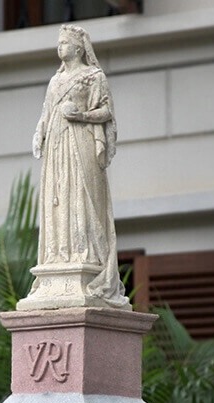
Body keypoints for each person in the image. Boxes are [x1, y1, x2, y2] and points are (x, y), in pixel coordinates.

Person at [27, 24, 128, 309]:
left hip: (80, 140)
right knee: (57, 197)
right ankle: (59, 254)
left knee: (82, 195)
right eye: (58, 43)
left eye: (65, 43)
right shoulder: (54, 81)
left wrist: (81, 115)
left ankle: (87, 254)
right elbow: (46, 113)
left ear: (79, 48)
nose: (60, 47)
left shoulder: (93, 76)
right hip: (57, 146)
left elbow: (107, 111)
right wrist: (39, 133)